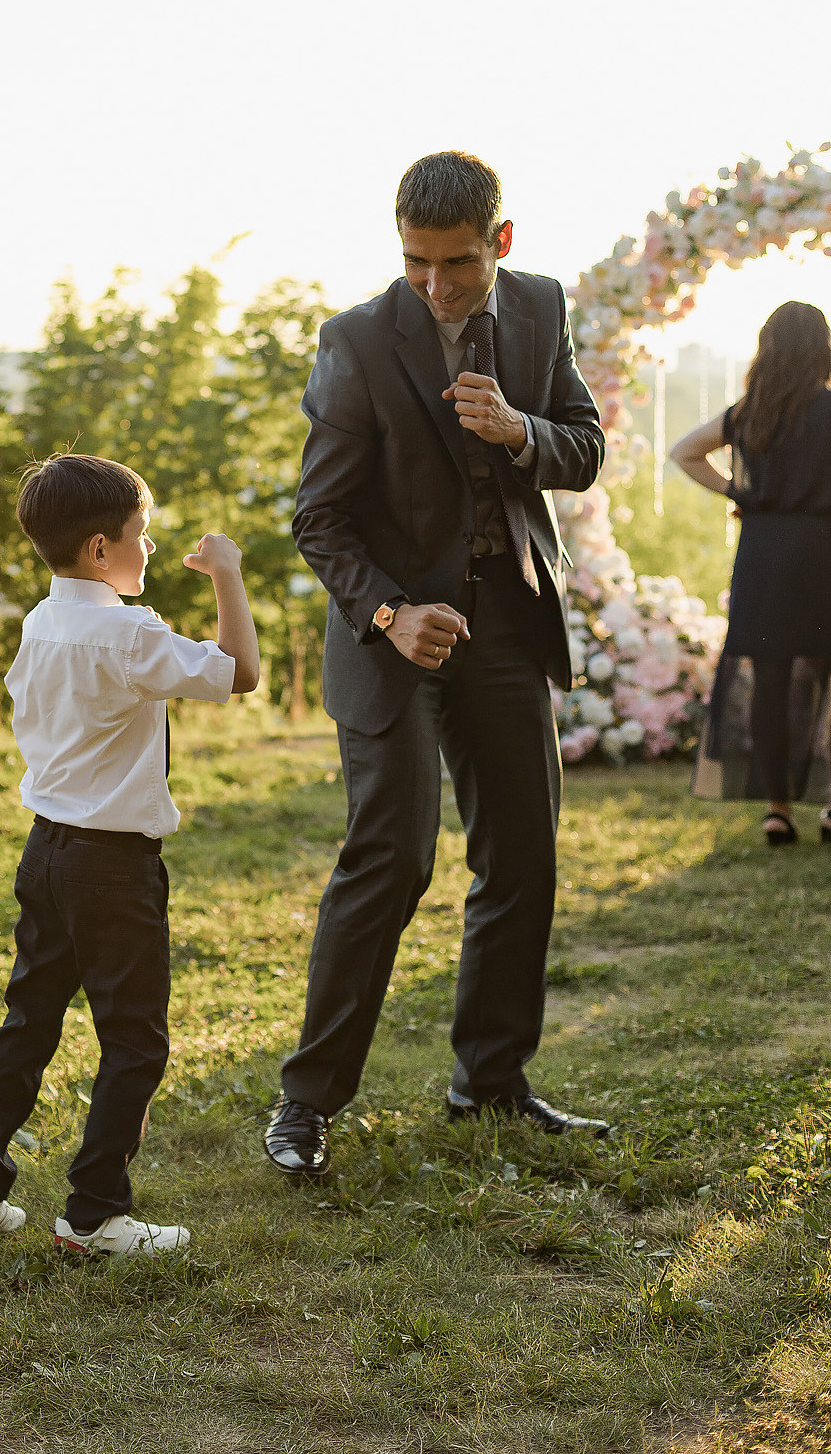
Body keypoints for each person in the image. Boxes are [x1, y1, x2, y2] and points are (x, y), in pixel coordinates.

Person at [264, 149, 610, 1181]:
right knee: (393, 858)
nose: (433, 286)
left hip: (503, 620)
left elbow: (583, 447)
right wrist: (387, 610)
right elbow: (315, 519)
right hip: (390, 634)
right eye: (414, 262)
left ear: (498, 245)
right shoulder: (356, 342)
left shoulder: (542, 310)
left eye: (454, 264)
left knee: (523, 855)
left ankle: (488, 1084)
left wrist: (518, 433)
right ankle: (305, 1102)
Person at [0, 453, 260, 1255]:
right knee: (134, 1040)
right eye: (140, 536)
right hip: (113, 867)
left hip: (45, 852)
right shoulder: (127, 632)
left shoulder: (43, 620)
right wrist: (226, 573)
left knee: (29, 1020)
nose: (149, 549)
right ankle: (94, 1215)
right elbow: (242, 673)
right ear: (97, 550)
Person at [672, 301, 831, 845]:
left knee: (769, 682)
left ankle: (778, 808)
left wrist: (740, 492)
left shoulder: (752, 414)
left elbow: (685, 452)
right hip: (825, 555)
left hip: (765, 559)